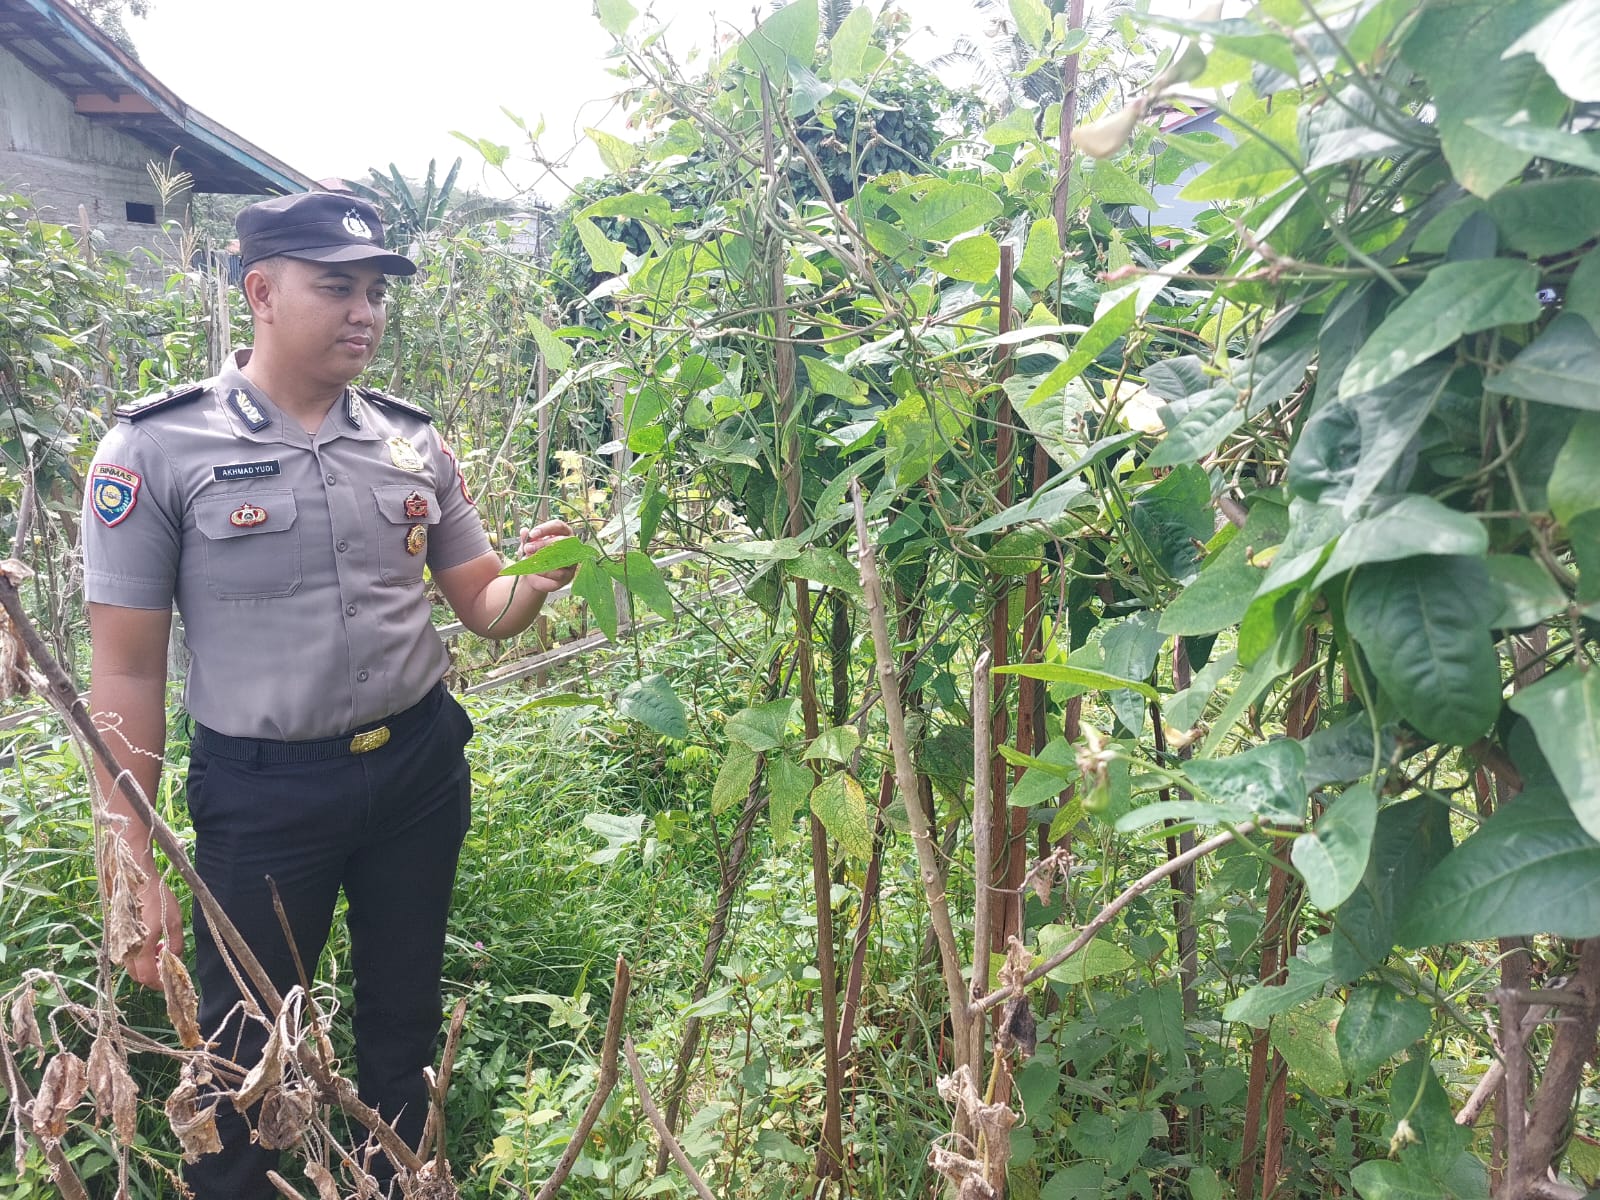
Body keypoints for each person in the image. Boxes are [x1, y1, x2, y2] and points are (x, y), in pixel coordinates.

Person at [81, 191, 575, 1198]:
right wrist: (128, 856)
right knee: (246, 1045)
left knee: (403, 1018)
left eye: (375, 294)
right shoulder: (156, 450)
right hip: (265, 799)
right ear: (260, 292)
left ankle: (396, 1178)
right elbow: (127, 668)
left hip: (418, 774)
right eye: (336, 288)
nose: (365, 314)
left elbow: (481, 603)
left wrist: (545, 577)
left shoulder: (410, 444)